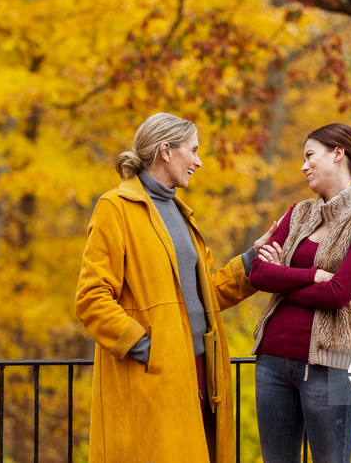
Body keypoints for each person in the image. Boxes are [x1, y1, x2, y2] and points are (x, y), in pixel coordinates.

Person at [75, 112, 277, 463]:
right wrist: (146, 347)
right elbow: (91, 298)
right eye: (193, 150)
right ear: (166, 151)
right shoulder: (115, 208)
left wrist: (250, 262)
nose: (199, 161)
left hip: (200, 367)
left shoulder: (181, 212)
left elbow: (200, 296)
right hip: (154, 372)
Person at [249, 123, 351, 463]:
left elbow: (338, 294)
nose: (303, 166)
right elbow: (258, 272)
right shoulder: (297, 212)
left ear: (338, 153)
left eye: (309, 155)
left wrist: (283, 279)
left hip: (331, 367)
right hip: (271, 360)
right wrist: (312, 275)